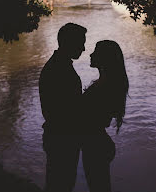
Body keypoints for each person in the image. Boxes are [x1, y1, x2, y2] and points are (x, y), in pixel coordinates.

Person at [38, 22, 87, 192]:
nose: (84, 48)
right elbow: (67, 109)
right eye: (81, 43)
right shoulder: (59, 69)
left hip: (58, 135)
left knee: (59, 183)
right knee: (61, 184)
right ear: (69, 43)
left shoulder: (58, 65)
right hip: (62, 137)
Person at [80, 40, 129, 192]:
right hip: (98, 142)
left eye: (96, 52)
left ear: (104, 58)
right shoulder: (107, 84)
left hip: (95, 145)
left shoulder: (104, 88)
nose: (91, 54)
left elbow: (89, 118)